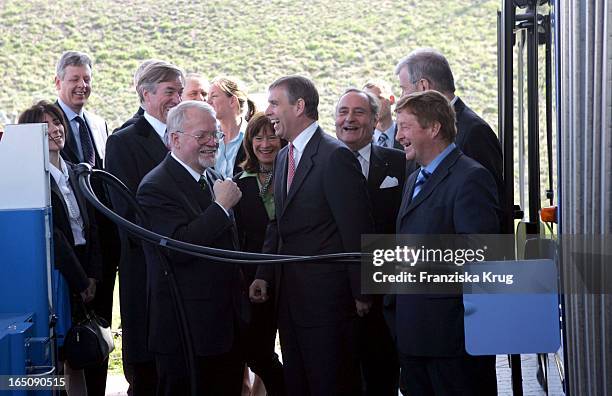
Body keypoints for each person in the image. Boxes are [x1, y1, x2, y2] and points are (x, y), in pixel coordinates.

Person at [250, 75, 374, 396]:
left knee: (332, 383)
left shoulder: (335, 157)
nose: (268, 110)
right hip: (289, 301)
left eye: (275, 103)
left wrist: (363, 292)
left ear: (300, 106)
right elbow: (278, 224)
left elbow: (356, 228)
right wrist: (264, 274)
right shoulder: (282, 157)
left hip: (328, 304)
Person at [137, 100, 247, 395]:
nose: (212, 143)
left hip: (225, 330)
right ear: (175, 139)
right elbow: (177, 248)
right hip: (186, 334)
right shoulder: (155, 186)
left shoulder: (211, 178)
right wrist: (220, 208)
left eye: (216, 135)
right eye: (202, 136)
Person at [394, 90, 500, 395]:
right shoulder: (415, 177)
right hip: (415, 338)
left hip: (452, 342)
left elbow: (480, 254)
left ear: (433, 128)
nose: (398, 135)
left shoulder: (470, 178)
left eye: (405, 126)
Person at [105, 60, 184, 395]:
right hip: (148, 270)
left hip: (185, 269)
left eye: (180, 92)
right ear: (146, 94)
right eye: (170, 92)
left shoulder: (184, 135)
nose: (178, 99)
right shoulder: (123, 141)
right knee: (149, 370)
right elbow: (126, 213)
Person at [19, 100, 102, 395]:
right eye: (46, 126)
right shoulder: (31, 178)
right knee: (58, 351)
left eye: (57, 123)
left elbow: (92, 226)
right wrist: (80, 280)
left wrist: (93, 274)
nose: (56, 130)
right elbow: (53, 236)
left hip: (85, 267)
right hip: (56, 272)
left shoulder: (75, 171)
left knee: (78, 355)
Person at [334, 88, 412, 396]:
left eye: (358, 112)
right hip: (335, 296)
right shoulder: (321, 163)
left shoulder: (399, 163)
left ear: (375, 118)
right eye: (343, 112)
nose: (349, 119)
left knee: (382, 378)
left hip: (385, 296)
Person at [54, 50, 117, 396]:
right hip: (65, 254)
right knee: (65, 342)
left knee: (99, 334)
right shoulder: (44, 124)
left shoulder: (99, 123)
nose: (82, 86)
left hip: (101, 251)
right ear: (58, 82)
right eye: (75, 79)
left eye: (87, 80)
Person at [394, 48, 507, 232]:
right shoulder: (415, 178)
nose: (398, 136)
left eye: (403, 89)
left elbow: (483, 234)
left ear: (423, 86)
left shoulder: (474, 131)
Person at [233, 112, 287, 396]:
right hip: (255, 279)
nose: (265, 143)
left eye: (272, 136)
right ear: (249, 142)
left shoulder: (296, 174)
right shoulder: (239, 183)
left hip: (293, 276)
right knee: (257, 351)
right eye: (258, 137)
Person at [207, 76, 257, 178]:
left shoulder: (254, 137)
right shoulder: (207, 138)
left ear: (232, 101)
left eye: (214, 96)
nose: (208, 102)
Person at [363, 80, 403, 150]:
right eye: (369, 100)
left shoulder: (406, 133)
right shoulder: (360, 139)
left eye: (378, 98)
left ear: (391, 99)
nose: (374, 104)